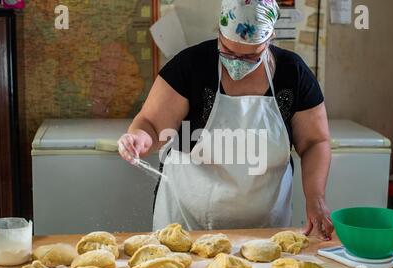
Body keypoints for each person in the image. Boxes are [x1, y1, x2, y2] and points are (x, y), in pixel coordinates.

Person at [118, 0, 333, 240]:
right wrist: (139, 138)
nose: (237, 62)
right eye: (228, 51)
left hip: (264, 228)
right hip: (185, 224)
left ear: (270, 38)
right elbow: (151, 124)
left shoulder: (293, 74)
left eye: (251, 56)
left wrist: (316, 199)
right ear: (219, 32)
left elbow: (315, 142)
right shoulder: (191, 66)